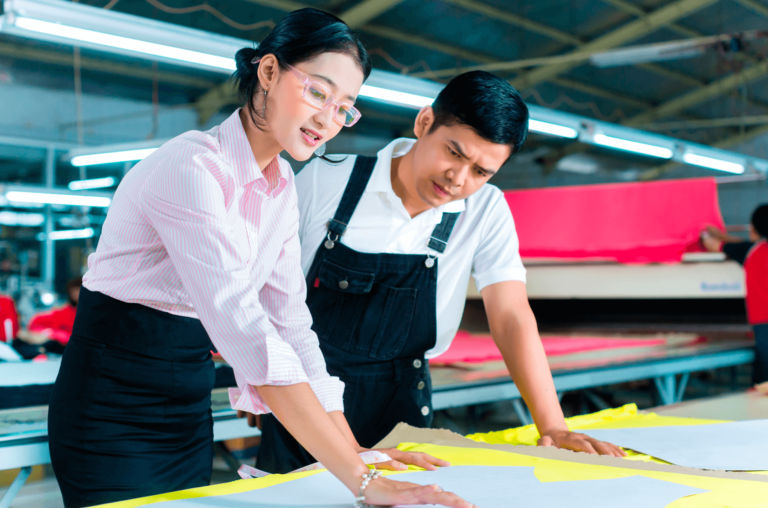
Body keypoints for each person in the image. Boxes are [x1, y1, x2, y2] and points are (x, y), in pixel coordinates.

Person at [48, 9, 472, 508]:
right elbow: (245, 330)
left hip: (185, 400)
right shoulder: (192, 168)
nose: (327, 120)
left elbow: (291, 324)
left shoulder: (280, 186)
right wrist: (362, 480)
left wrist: (350, 448)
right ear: (268, 72)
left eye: (344, 108)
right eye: (318, 92)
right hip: (108, 406)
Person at [254, 71, 625, 474]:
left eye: (481, 172)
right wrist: (258, 383)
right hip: (307, 402)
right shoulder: (327, 181)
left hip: (403, 409)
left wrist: (552, 425)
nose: (459, 179)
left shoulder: (485, 210)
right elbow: (268, 298)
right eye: (454, 153)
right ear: (424, 123)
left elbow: (511, 315)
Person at [702, 204, 768, 383]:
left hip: (764, 326)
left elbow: (712, 245)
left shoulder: (752, 251)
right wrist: (722, 235)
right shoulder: (751, 248)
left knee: (763, 383)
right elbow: (741, 243)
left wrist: (704, 232)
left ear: (753, 228)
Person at [24, 276, 81, 354]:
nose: (76, 294)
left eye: (79, 291)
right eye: (74, 291)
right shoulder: (62, 313)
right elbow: (34, 323)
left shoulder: (93, 314)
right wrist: (54, 333)